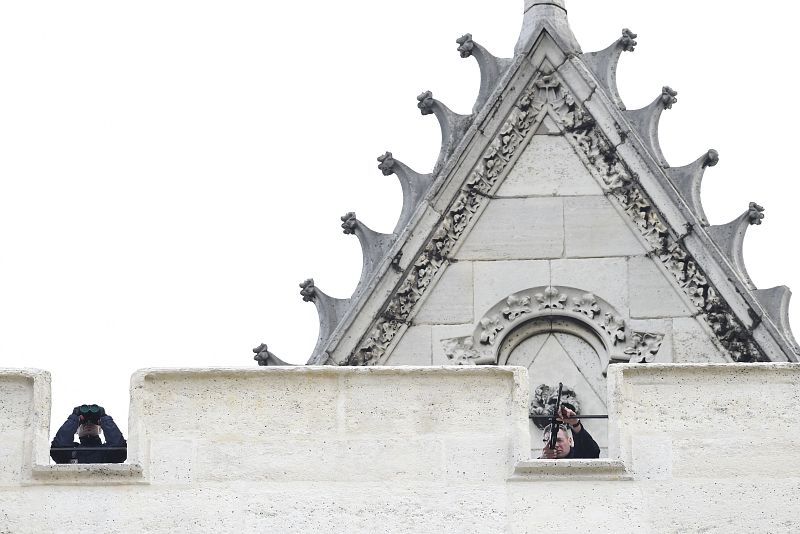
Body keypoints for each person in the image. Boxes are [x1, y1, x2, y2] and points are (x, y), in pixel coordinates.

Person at [50, 404, 127, 464]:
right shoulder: (71, 452)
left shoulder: (106, 451)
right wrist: (74, 418)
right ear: (76, 430)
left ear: (100, 429)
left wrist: (104, 418)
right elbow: (58, 448)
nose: (88, 424)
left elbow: (119, 448)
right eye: (83, 424)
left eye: (93, 423)